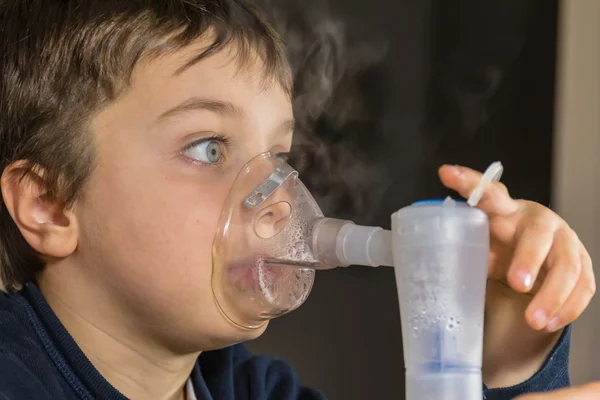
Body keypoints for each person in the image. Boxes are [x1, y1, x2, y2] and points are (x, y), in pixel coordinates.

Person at [0, 1, 594, 399]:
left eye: (280, 158)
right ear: (50, 204)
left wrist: (513, 350)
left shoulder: (263, 392)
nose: (281, 199)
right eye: (209, 149)